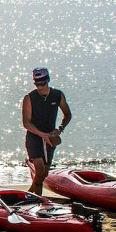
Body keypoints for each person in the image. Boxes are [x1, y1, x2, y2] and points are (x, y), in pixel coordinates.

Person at [21, 67, 71, 196]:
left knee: (44, 174)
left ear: (48, 80)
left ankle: (30, 194)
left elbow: (67, 114)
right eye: (37, 83)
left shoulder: (57, 95)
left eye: (42, 82)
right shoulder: (29, 98)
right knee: (40, 170)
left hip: (50, 138)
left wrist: (60, 129)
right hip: (34, 138)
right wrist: (42, 134)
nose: (40, 86)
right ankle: (38, 202)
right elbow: (26, 123)